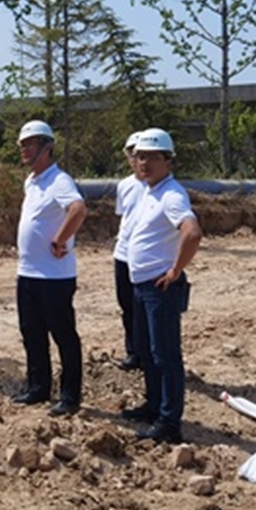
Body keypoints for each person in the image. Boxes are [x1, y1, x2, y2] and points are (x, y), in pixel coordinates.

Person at [120, 127, 203, 444]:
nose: (144, 163)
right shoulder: (148, 191)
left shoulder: (171, 195)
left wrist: (175, 271)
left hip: (160, 288)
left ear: (167, 160)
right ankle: (154, 406)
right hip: (142, 285)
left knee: (166, 354)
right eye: (140, 156)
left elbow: (191, 232)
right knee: (147, 351)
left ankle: (169, 422)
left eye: (152, 157)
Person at [10, 120, 88, 417]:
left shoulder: (59, 181)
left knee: (63, 335)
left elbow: (78, 209)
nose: (25, 150)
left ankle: (70, 396)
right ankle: (38, 387)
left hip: (55, 276)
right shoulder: (31, 181)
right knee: (31, 332)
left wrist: (60, 238)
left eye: (30, 144)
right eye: (22, 145)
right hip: (28, 272)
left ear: (47, 147)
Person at [112, 131, 145, 371]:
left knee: (146, 307)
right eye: (131, 153)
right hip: (123, 254)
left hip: (145, 258)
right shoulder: (124, 186)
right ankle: (133, 351)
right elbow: (123, 216)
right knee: (127, 306)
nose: (135, 158)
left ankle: (149, 353)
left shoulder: (158, 187)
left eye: (139, 153)